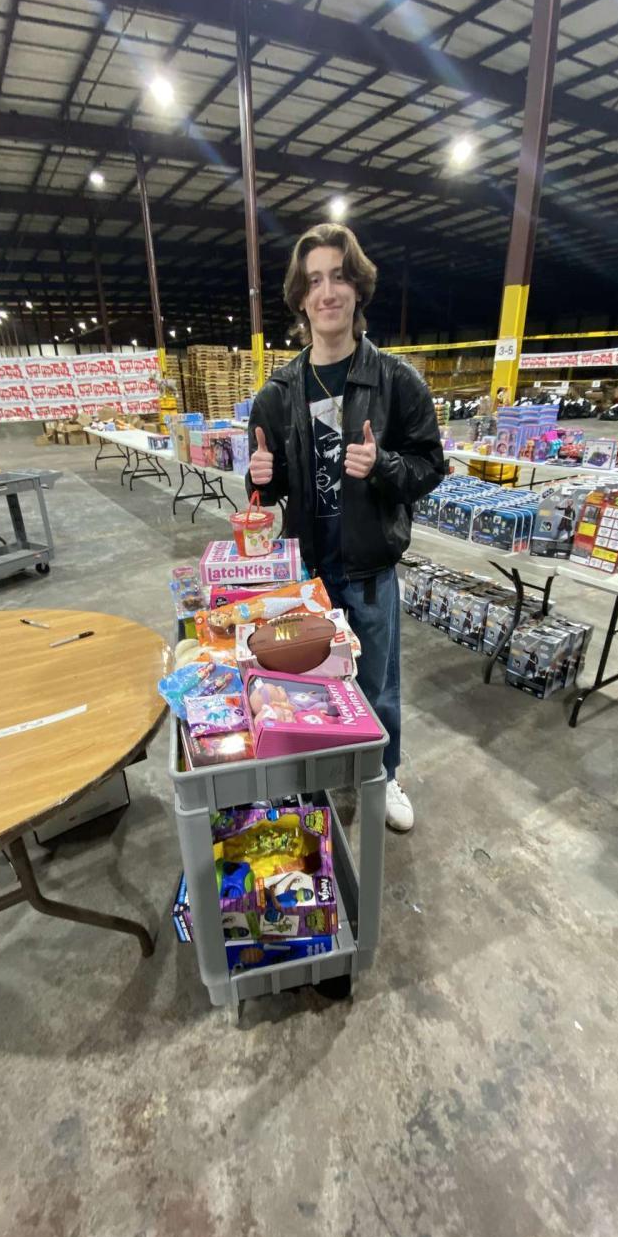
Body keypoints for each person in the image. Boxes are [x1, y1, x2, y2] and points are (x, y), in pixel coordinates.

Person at [245, 223, 444, 833]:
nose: (326, 292)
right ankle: (316, 776)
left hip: (369, 569)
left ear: (357, 288)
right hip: (307, 573)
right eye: (313, 282)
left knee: (377, 686)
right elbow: (268, 490)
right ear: (300, 299)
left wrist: (382, 465)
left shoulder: (396, 381)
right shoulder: (278, 393)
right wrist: (259, 479)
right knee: (307, 684)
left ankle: (383, 774)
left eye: (337, 277)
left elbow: (430, 466)